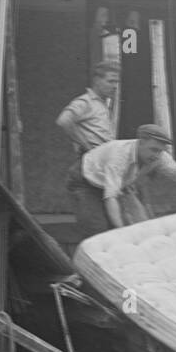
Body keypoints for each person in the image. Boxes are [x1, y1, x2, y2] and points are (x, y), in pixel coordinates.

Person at [78, 123, 176, 238]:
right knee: (100, 231)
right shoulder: (119, 156)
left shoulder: (159, 156)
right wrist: (120, 230)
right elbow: (110, 197)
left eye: (160, 151)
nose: (156, 155)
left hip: (119, 183)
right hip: (86, 180)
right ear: (140, 142)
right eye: (153, 149)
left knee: (141, 225)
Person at [57, 63, 121, 239]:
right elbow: (64, 121)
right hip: (87, 167)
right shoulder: (86, 102)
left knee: (113, 225)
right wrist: (87, 146)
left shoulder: (104, 105)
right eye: (110, 81)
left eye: (117, 82)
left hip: (103, 169)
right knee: (95, 230)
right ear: (97, 80)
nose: (114, 86)